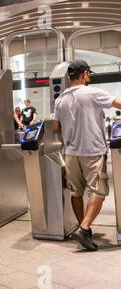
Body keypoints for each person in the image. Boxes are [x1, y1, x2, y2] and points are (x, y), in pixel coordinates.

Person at [53, 59, 121, 251]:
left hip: (70, 152)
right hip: (92, 151)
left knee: (76, 192)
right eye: (88, 74)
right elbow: (118, 104)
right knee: (98, 191)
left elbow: (56, 127)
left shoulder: (60, 99)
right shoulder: (93, 92)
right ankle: (84, 228)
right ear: (83, 74)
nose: (89, 77)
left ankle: (85, 229)